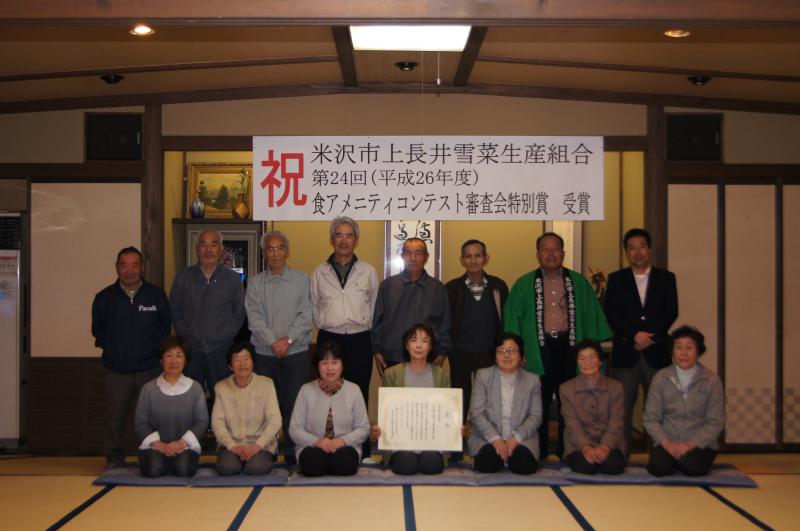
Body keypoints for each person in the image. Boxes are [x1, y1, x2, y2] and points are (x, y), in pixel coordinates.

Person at [505, 232, 612, 458]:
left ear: (563, 253)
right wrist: (517, 351)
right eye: (546, 249)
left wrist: (590, 352)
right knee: (537, 404)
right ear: (538, 254)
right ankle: (538, 450)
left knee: (571, 402)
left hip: (570, 346)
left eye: (555, 249)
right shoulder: (524, 284)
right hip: (537, 348)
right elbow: (512, 319)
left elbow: (590, 317)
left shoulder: (578, 283)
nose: (551, 254)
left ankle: (569, 451)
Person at [92, 246, 171, 469]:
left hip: (149, 368)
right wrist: (116, 350)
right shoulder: (104, 298)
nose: (129, 271)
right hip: (117, 370)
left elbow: (164, 328)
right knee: (115, 417)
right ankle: (114, 459)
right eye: (124, 266)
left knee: (151, 417)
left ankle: (151, 456)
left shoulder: (155, 295)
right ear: (117, 268)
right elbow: (98, 331)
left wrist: (154, 353)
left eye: (134, 265)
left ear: (142, 267)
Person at [604, 228, 678, 453]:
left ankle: (660, 455)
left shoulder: (666, 278)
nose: (637, 252)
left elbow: (671, 312)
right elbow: (611, 313)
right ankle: (620, 454)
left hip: (657, 353)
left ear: (650, 249)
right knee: (621, 409)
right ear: (626, 252)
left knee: (659, 408)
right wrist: (634, 335)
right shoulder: (616, 279)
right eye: (632, 248)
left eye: (642, 246)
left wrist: (650, 336)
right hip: (626, 352)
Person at [311, 216, 378, 457]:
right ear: (331, 239)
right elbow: (314, 306)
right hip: (330, 337)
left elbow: (373, 307)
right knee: (328, 391)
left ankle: (362, 449)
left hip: (360, 338)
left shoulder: (368, 271)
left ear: (356, 240)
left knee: (358, 392)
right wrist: (328, 324)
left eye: (349, 235)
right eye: (339, 235)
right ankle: (329, 445)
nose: (343, 240)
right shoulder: (320, 272)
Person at [246, 230, 312, 465]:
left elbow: (307, 315)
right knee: (267, 405)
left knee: (295, 405)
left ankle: (293, 454)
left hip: (297, 353)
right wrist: (274, 343)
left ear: (288, 251)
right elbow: (254, 318)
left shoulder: (303, 280)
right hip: (265, 355)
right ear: (264, 253)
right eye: (270, 249)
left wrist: (288, 340)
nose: (275, 253)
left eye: (280, 248)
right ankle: (268, 451)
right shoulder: (255, 283)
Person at [170, 229, 246, 404]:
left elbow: (239, 314)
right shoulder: (183, 277)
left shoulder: (233, 279)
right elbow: (175, 311)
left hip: (221, 350)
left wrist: (223, 336)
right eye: (203, 245)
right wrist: (187, 335)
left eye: (214, 244)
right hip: (191, 349)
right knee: (188, 401)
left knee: (224, 401)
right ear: (197, 249)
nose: (208, 250)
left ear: (221, 249)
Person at [644, 326, 724, 477]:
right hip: (667, 442)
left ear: (698, 352)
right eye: (679, 347)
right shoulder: (661, 378)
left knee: (693, 467)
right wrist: (667, 443)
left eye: (689, 348)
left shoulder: (712, 380)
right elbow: (650, 418)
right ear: (672, 351)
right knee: (659, 468)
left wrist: (690, 445)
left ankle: (683, 460)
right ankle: (673, 459)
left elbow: (715, 422)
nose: (683, 353)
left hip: (699, 444)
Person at [373, 324, 450, 475]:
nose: (419, 345)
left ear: (430, 347)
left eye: (424, 341)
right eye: (414, 340)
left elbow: (446, 410)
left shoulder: (440, 375)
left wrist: (453, 426)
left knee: (431, 466)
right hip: (400, 442)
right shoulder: (392, 374)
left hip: (431, 440)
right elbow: (386, 413)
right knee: (406, 466)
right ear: (407, 346)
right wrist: (379, 427)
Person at [445, 239, 508, 422]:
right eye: (468, 256)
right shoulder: (452, 288)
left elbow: (505, 320)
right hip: (460, 352)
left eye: (477, 256)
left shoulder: (498, 286)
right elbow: (446, 321)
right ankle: (457, 437)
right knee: (460, 399)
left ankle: (487, 437)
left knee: (488, 400)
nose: (473, 261)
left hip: (488, 352)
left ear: (486, 258)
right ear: (462, 260)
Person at [372, 237, 452, 378]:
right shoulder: (388, 285)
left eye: (418, 253)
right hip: (392, 356)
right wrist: (377, 351)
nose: (413, 258)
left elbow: (445, 324)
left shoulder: (438, 288)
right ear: (402, 256)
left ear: (426, 257)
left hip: (427, 357)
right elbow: (378, 321)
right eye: (408, 253)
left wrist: (442, 352)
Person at [289, 340, 370, 477]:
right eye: (324, 363)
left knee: (344, 463)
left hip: (345, 447)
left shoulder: (354, 390)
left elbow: (363, 428)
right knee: (313, 463)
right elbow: (294, 429)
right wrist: (318, 442)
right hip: (313, 447)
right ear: (317, 365)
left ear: (342, 365)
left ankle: (331, 464)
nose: (330, 368)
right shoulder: (306, 390)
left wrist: (342, 441)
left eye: (335, 362)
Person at [135, 335, 208, 477]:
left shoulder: (195, 388)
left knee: (183, 469)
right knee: (153, 469)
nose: (173, 361)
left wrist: (181, 443)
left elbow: (202, 421)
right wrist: (160, 445)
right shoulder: (148, 389)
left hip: (185, 446)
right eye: (169, 355)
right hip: (156, 446)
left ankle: (175, 462)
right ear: (161, 360)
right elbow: (141, 422)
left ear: (186, 360)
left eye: (179, 355)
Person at [468, 333, 541, 475]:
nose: (506, 355)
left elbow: (535, 416)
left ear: (521, 355)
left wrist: (515, 439)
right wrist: (495, 439)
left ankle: (510, 456)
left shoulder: (532, 380)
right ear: (495, 356)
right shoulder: (483, 376)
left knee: (524, 466)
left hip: (521, 439)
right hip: (487, 438)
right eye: (501, 351)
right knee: (488, 464)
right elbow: (476, 413)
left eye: (511, 350)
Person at [212, 341, 282, 476]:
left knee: (256, 468)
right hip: (232, 445)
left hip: (260, 445)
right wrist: (232, 446)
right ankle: (236, 460)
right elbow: (217, 422)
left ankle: (257, 459)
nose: (242, 364)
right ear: (230, 366)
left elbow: (275, 421)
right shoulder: (221, 387)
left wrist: (257, 446)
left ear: (253, 362)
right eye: (237, 360)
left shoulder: (266, 384)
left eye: (246, 358)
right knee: (227, 468)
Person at [560, 339, 627, 475]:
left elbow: (616, 422)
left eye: (591, 357)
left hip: (611, 443)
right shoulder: (566, 388)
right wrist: (585, 448)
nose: (587, 362)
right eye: (582, 358)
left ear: (600, 361)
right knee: (586, 467)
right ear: (577, 362)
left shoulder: (616, 387)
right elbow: (572, 425)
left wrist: (605, 447)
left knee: (612, 467)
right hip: (578, 445)